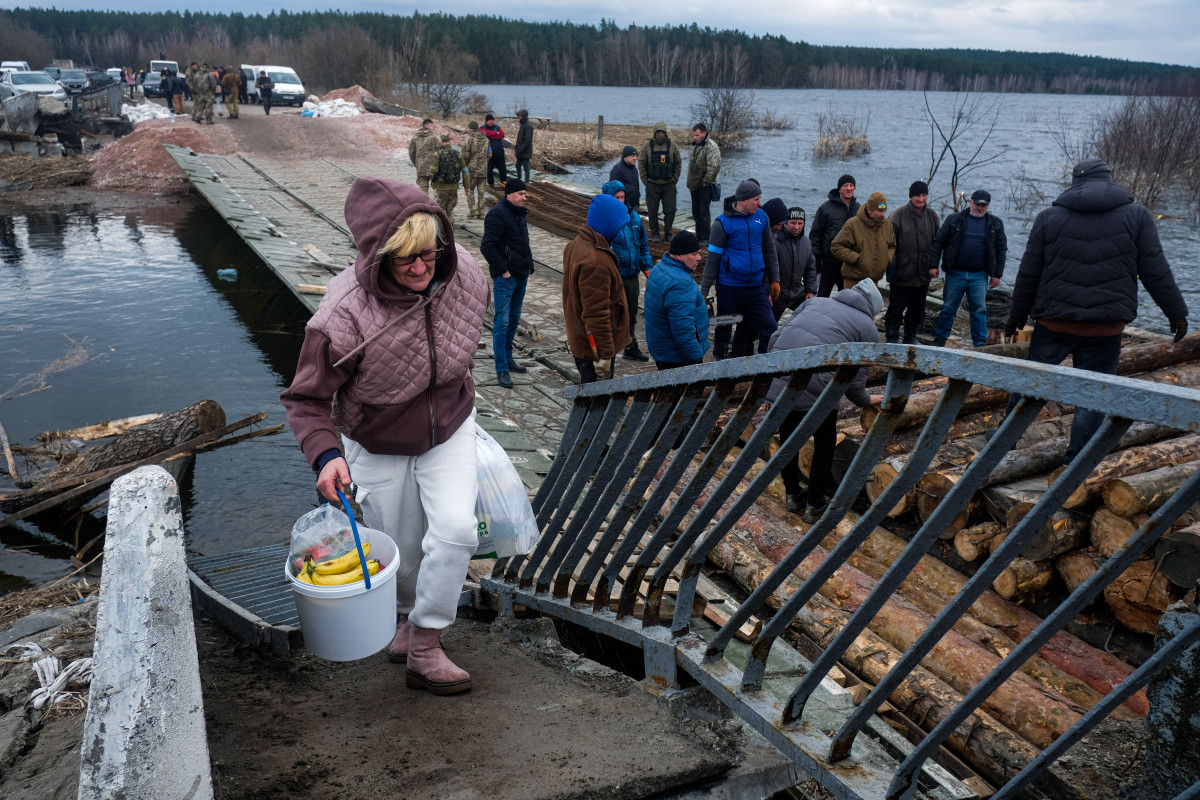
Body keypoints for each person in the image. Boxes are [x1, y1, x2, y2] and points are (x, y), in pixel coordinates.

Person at [280, 177, 488, 695]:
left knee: (457, 531)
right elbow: (305, 400)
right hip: (375, 438)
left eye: (429, 253)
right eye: (405, 259)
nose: (422, 267)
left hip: (451, 425)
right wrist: (326, 454)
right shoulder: (342, 314)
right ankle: (401, 618)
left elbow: (464, 338)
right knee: (401, 552)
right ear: (377, 256)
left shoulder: (465, 275)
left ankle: (424, 644)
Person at [1004, 157, 1189, 464]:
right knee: (1093, 395)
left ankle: (1002, 442)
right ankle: (1075, 463)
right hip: (1106, 325)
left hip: (1055, 321)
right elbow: (1156, 270)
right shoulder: (1138, 216)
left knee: (1031, 385)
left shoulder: (1049, 217)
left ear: (1075, 183)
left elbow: (1029, 273)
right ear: (1109, 180)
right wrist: (1176, 313)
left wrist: (1016, 315)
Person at [766, 280, 884, 521]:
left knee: (789, 436)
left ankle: (792, 494)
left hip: (781, 376)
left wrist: (774, 377)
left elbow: (775, 337)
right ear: (872, 308)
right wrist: (868, 399)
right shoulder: (868, 328)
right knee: (824, 442)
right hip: (816, 389)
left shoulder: (815, 301)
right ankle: (814, 504)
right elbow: (856, 383)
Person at [701, 180, 780, 359]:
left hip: (756, 287)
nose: (760, 203)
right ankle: (721, 360)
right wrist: (704, 292)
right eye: (756, 199)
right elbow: (712, 259)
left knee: (770, 328)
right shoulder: (722, 224)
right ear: (743, 200)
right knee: (725, 326)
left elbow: (769, 250)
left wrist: (775, 279)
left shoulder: (762, 218)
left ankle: (765, 364)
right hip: (729, 287)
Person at [562, 194, 632, 383]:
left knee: (592, 405)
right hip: (593, 350)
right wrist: (605, 355)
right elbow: (596, 314)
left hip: (581, 340)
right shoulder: (595, 261)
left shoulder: (576, 245)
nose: (620, 230)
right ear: (607, 222)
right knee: (597, 407)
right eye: (618, 224)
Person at [930, 189, 1008, 347]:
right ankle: (939, 339)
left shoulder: (995, 224)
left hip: (979, 276)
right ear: (971, 202)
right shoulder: (954, 220)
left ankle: (979, 343)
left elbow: (1001, 250)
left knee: (979, 310)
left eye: (984, 205)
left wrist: (997, 275)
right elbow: (938, 243)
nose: (980, 208)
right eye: (978, 204)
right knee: (948, 308)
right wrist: (933, 265)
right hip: (955, 273)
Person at [481, 178, 533, 388]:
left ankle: (509, 358)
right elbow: (487, 246)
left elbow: (522, 243)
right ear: (509, 194)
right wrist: (503, 272)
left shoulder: (519, 213)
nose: (524, 197)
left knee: (513, 319)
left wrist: (529, 266)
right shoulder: (497, 214)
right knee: (501, 323)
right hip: (506, 277)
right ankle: (501, 367)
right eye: (521, 194)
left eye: (525, 194)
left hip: (521, 274)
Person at [601, 180, 653, 362]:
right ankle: (608, 350)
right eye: (617, 198)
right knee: (611, 313)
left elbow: (643, 246)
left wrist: (647, 268)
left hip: (632, 274)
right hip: (613, 276)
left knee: (631, 312)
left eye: (623, 197)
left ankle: (630, 346)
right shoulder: (603, 221)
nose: (621, 201)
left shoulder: (634, 218)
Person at [644, 231, 710, 370]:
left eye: (698, 253)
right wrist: (696, 358)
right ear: (679, 255)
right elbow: (682, 331)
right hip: (677, 358)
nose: (699, 258)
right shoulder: (679, 283)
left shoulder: (659, 268)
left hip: (662, 350)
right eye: (693, 254)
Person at [885, 181, 940, 343]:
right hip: (902, 273)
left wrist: (934, 265)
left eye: (923, 195)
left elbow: (937, 243)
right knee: (896, 308)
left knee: (917, 309)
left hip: (923, 273)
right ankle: (892, 338)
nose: (921, 199)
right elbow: (887, 243)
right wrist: (892, 269)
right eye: (917, 195)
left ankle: (910, 337)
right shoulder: (897, 215)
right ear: (911, 196)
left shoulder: (932, 216)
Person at [831, 191, 896, 288]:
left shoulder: (887, 225)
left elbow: (892, 245)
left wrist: (887, 258)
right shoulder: (853, 224)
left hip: (874, 282)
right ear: (870, 210)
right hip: (853, 282)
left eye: (884, 211)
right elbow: (836, 246)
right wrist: (857, 258)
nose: (883, 214)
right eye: (879, 211)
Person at [809, 174, 860, 297]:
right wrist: (816, 259)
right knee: (822, 296)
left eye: (851, 185)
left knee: (848, 297)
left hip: (848, 262)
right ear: (839, 189)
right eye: (845, 185)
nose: (849, 188)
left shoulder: (859, 210)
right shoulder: (825, 208)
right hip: (828, 261)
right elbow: (815, 235)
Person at [639, 121, 682, 243]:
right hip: (652, 184)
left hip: (669, 184)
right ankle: (655, 234)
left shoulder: (672, 145)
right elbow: (641, 163)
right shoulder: (648, 146)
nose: (660, 134)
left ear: (666, 133)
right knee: (652, 211)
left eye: (662, 132)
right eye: (658, 132)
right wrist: (645, 181)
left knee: (670, 210)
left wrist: (675, 179)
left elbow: (678, 162)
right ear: (654, 133)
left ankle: (668, 233)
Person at [773, 207, 818, 320]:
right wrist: (766, 294)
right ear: (785, 223)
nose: (796, 227)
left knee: (812, 318)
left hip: (797, 292)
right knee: (767, 330)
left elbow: (810, 269)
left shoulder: (806, 242)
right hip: (777, 294)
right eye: (793, 223)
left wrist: (811, 291)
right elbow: (766, 271)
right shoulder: (774, 241)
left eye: (800, 223)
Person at [686, 123, 721, 242]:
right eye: (693, 135)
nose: (695, 137)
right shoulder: (695, 146)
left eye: (697, 135)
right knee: (695, 211)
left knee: (703, 212)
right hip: (694, 184)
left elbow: (714, 166)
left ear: (704, 134)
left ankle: (706, 237)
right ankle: (699, 235)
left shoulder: (711, 146)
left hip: (706, 185)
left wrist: (706, 181)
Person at [428, 133, 466, 216]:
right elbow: (465, 171)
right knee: (450, 209)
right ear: (450, 141)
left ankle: (441, 227)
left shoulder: (438, 153)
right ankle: (450, 226)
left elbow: (434, 169)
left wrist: (432, 179)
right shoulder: (458, 154)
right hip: (454, 186)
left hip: (441, 186)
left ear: (441, 142)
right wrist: (467, 187)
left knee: (439, 210)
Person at [461, 120, 489, 219]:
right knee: (481, 192)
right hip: (483, 170)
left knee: (469, 189)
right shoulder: (486, 139)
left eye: (469, 128)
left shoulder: (469, 139)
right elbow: (490, 153)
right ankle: (482, 213)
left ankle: (473, 210)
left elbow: (465, 155)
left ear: (471, 129)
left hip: (472, 170)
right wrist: (484, 163)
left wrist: (465, 165)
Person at [407, 119, 439, 195]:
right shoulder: (434, 137)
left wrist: (417, 164)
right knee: (437, 190)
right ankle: (436, 206)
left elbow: (411, 153)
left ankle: (425, 206)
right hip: (433, 168)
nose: (433, 128)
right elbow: (439, 152)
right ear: (430, 126)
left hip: (421, 168)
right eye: (432, 126)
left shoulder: (415, 137)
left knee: (423, 192)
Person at [482, 114, 507, 186]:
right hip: (489, 154)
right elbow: (485, 133)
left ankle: (504, 182)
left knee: (503, 170)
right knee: (489, 171)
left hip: (499, 153)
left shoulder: (498, 127)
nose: (492, 121)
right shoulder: (482, 128)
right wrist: (495, 133)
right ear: (486, 121)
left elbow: (502, 135)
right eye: (490, 120)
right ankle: (491, 184)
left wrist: (491, 136)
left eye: (493, 120)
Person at [514, 109, 533, 183]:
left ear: (524, 116)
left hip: (525, 151)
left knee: (526, 166)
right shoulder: (523, 125)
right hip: (520, 150)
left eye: (520, 116)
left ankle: (526, 181)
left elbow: (527, 141)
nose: (518, 117)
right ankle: (519, 179)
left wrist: (520, 150)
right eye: (518, 116)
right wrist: (517, 148)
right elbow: (520, 139)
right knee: (518, 165)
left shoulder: (528, 126)